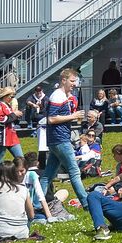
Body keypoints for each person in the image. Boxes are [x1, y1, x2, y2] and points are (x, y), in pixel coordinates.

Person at [40, 69, 94, 212]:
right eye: (71, 81)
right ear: (63, 80)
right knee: (74, 172)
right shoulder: (57, 95)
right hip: (60, 139)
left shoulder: (62, 95)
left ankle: (37, 203)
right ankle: (86, 203)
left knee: (48, 176)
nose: (74, 84)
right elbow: (51, 119)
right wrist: (73, 116)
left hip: (55, 140)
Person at [0, 87, 25, 183]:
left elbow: (11, 119)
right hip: (2, 136)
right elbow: (1, 120)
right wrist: (14, 114)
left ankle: (18, 179)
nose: (12, 98)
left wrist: (17, 115)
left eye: (13, 96)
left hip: (12, 135)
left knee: (20, 158)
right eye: (11, 96)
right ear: (5, 96)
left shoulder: (7, 105)